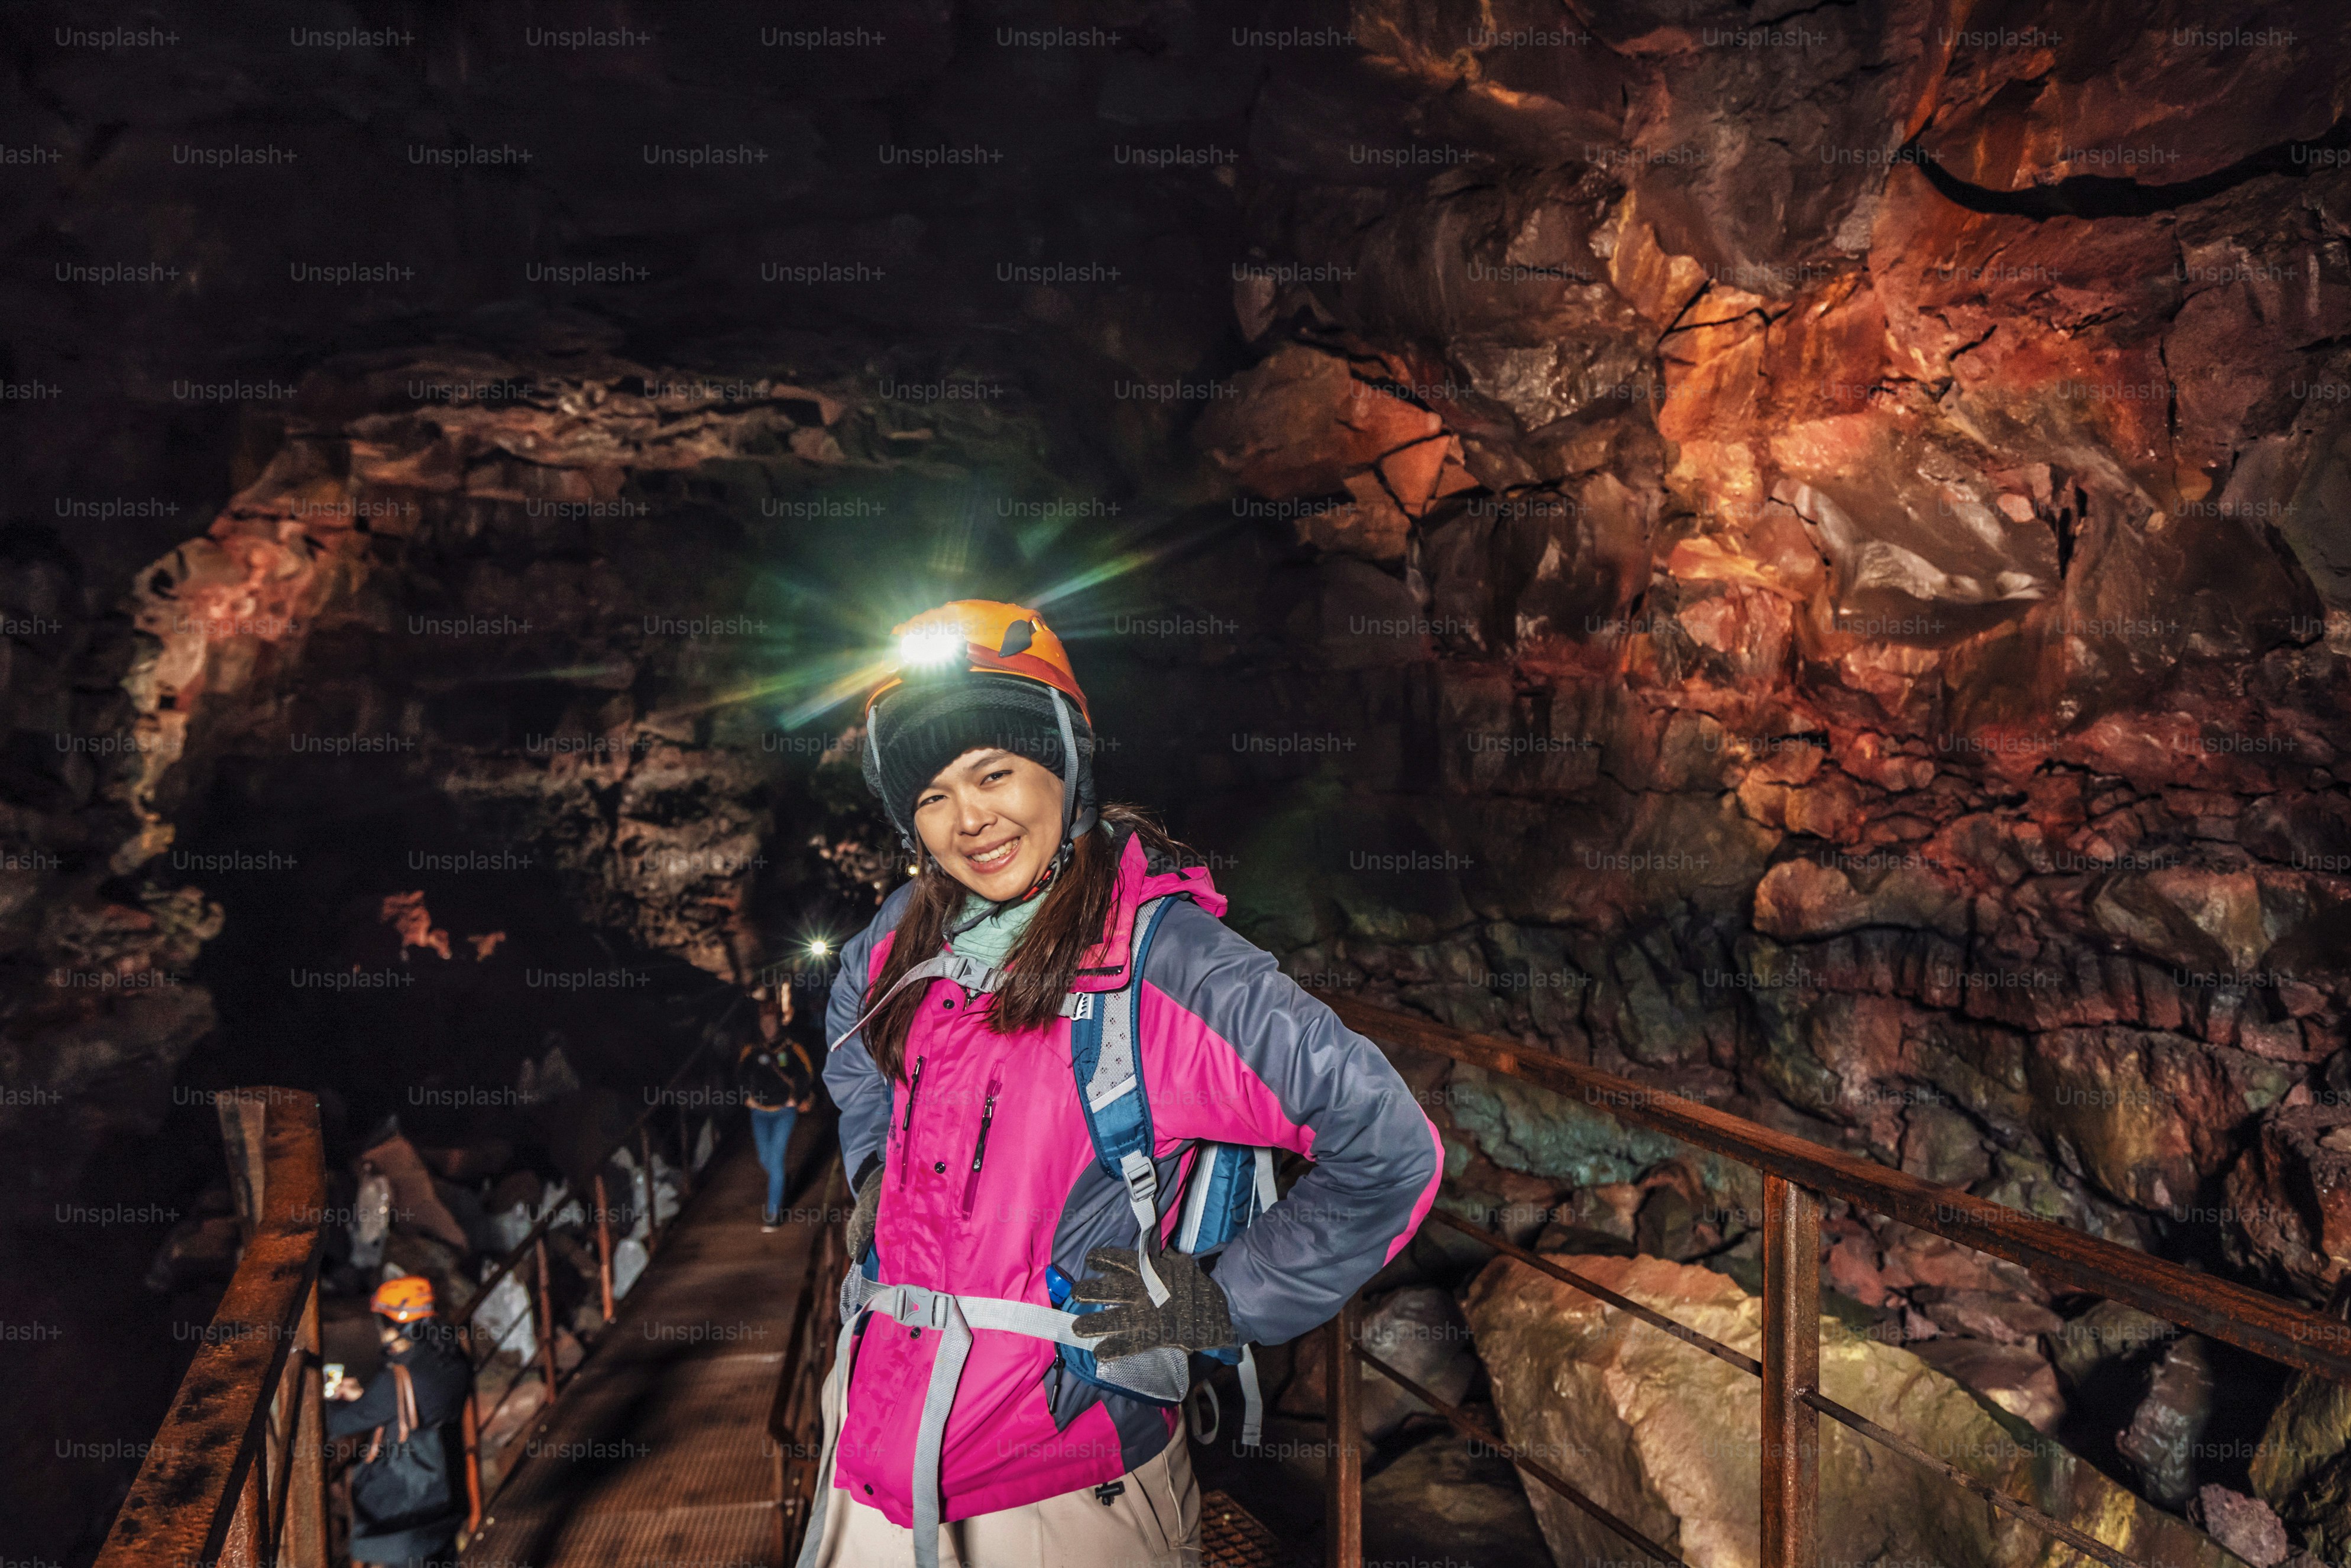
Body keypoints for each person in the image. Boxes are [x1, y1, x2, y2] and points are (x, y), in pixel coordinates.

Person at [800, 600, 1443, 1568]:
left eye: (994, 772)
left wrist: (1225, 1300)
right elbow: (853, 1053)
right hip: (875, 1457)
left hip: (1063, 1487)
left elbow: (1387, 1145)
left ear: (1062, 764)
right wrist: (874, 1175)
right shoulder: (902, 937)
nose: (969, 818)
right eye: (931, 794)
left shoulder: (1166, 965)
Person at [325, 1275, 471, 1568]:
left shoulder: (399, 1377)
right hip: (444, 1483)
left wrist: (332, 1399)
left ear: (394, 1324)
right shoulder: (452, 1356)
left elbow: (338, 1424)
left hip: (406, 1499)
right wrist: (369, 1397)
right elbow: (413, 1401)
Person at [740, 983, 820, 1230]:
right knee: (766, 1159)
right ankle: (780, 1180)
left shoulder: (791, 1048)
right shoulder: (752, 1050)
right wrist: (746, 1097)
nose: (768, 1025)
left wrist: (798, 1096)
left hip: (784, 1112)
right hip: (759, 1112)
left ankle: (773, 1214)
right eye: (764, 1021)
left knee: (776, 1160)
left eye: (771, 1021)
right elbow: (740, 1075)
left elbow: (807, 1072)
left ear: (778, 1022)